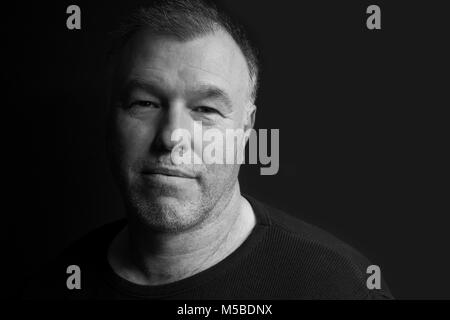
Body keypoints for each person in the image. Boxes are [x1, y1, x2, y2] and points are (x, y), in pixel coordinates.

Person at [24, 0, 392, 299]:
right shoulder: (57, 283)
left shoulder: (337, 287)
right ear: (110, 120)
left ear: (246, 129)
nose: (172, 137)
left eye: (205, 110)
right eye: (145, 103)